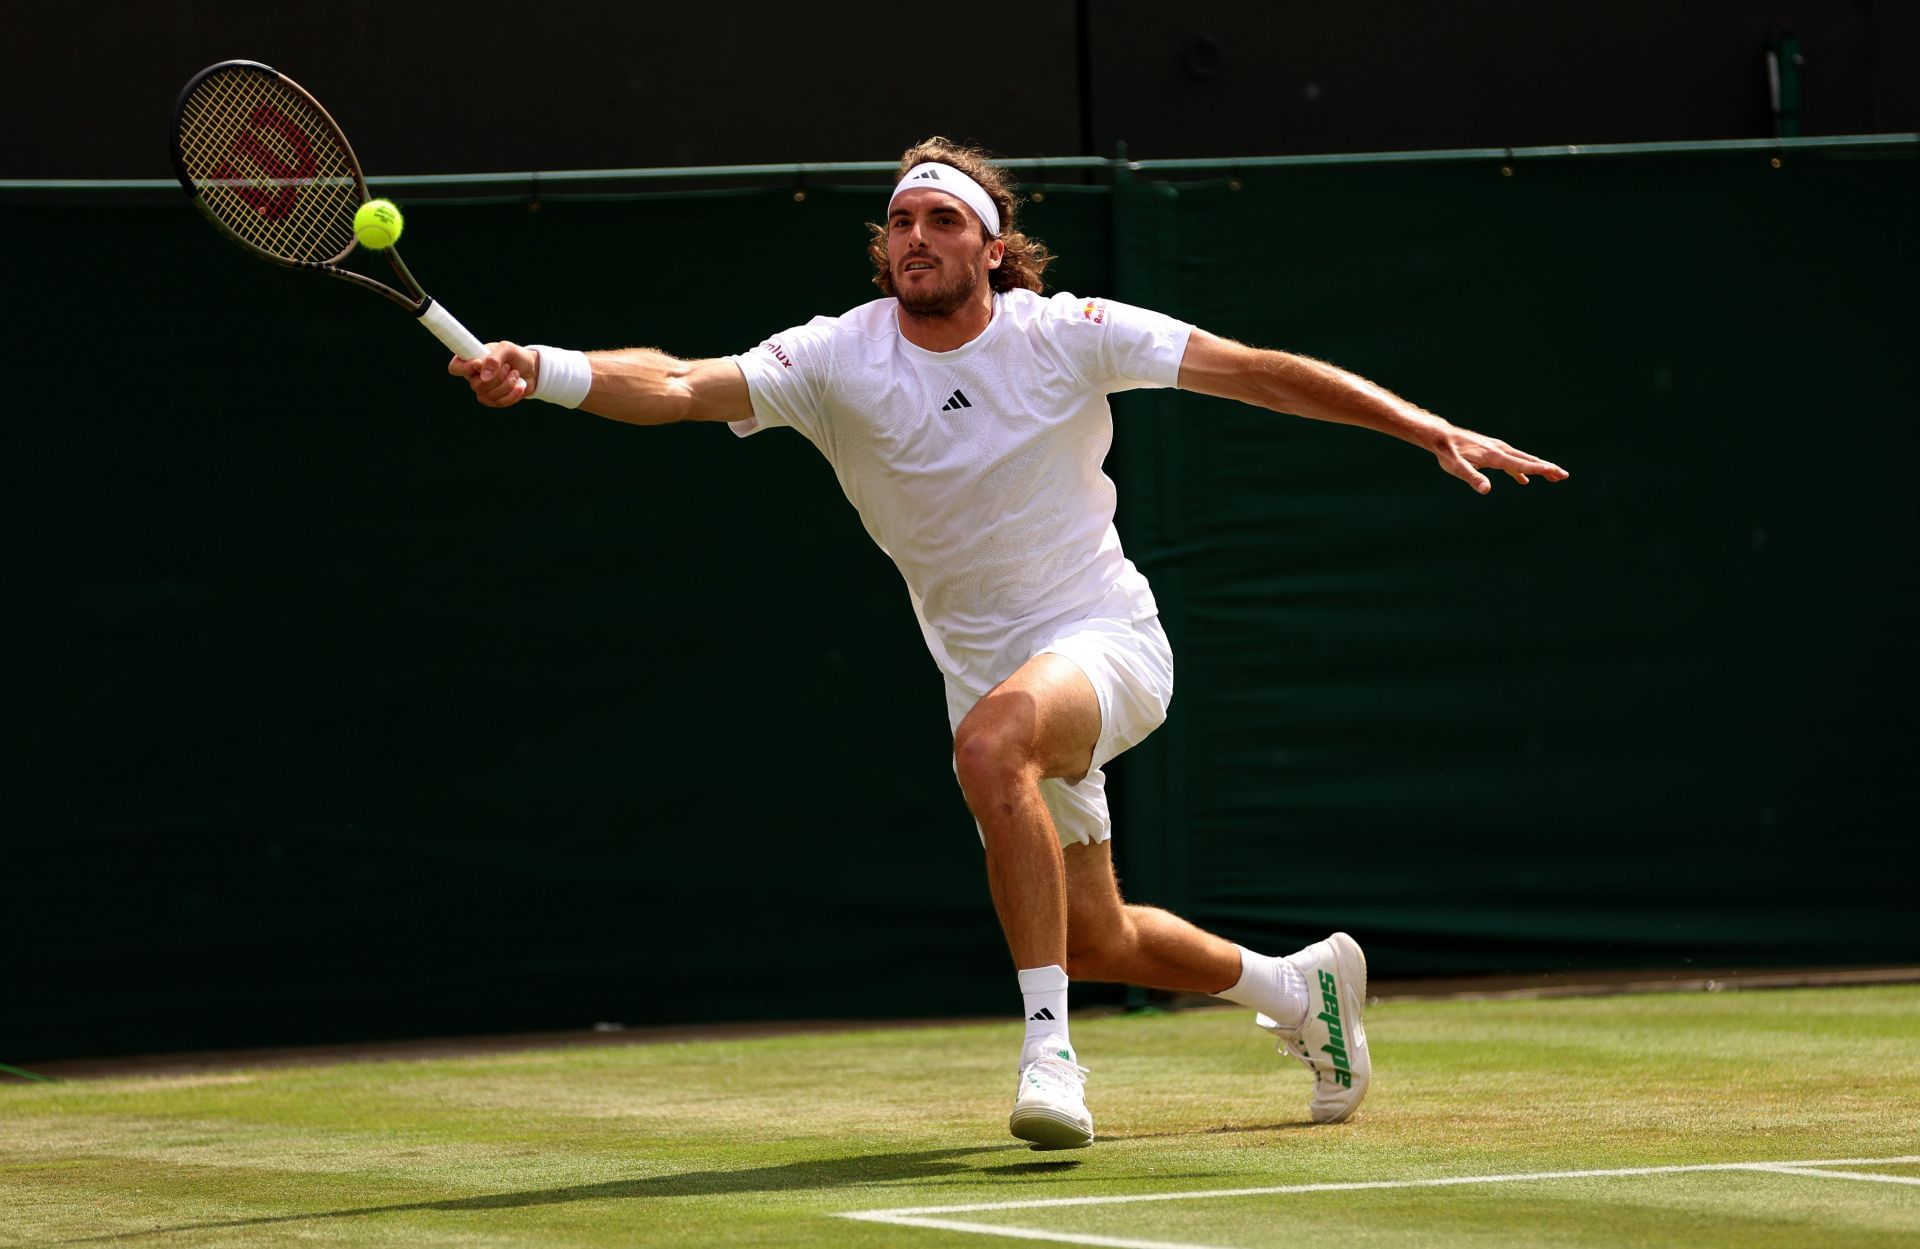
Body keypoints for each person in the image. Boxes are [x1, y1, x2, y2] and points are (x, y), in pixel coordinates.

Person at [451, 137, 1567, 1151]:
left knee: (994, 751)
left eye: (943, 221)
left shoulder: (1066, 335)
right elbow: (683, 385)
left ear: (993, 246)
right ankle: (1299, 989)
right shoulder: (836, 356)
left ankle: (1052, 1056)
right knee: (1094, 933)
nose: (917, 239)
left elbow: (1255, 368)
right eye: (901, 222)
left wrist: (1421, 424)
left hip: (1106, 641)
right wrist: (541, 368)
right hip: (982, 674)